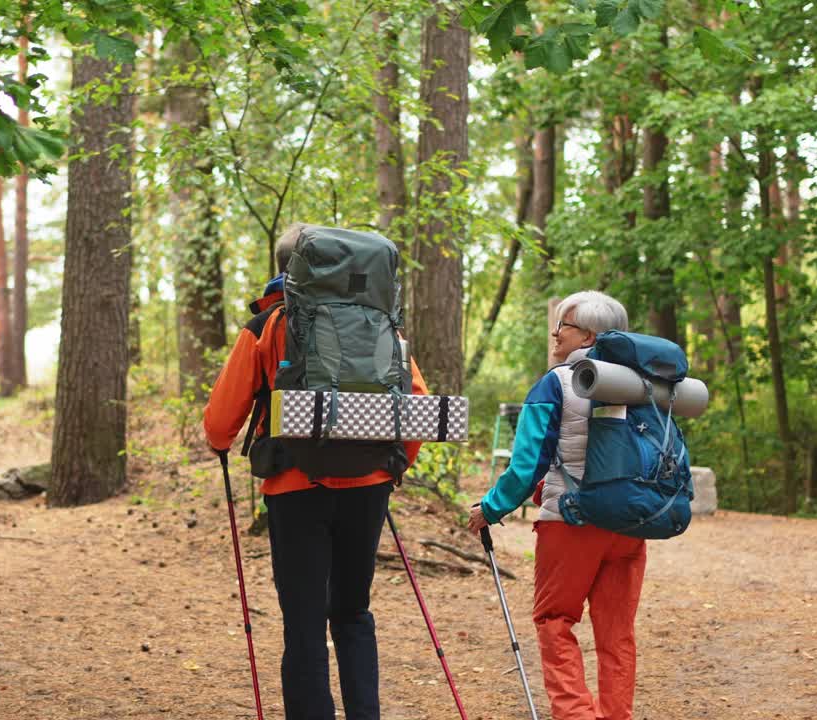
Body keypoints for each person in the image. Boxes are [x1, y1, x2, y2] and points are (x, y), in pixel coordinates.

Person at [203, 223, 429, 720]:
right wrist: (391, 469)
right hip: (368, 489)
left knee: (303, 621)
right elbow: (416, 408)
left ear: (285, 267)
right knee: (353, 613)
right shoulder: (383, 327)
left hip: (294, 486)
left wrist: (221, 443)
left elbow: (220, 423)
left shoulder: (269, 326)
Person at [467, 290, 643, 720]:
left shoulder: (555, 383)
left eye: (562, 324)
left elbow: (527, 465)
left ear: (588, 335)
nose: (554, 332)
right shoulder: (643, 383)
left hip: (571, 521)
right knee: (617, 633)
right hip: (630, 522)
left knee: (555, 621)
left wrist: (489, 509)